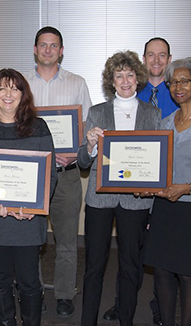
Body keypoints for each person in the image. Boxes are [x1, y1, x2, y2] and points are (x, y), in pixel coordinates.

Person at [0, 68, 58, 326]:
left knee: (30, 281)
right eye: (2, 88)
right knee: (0, 279)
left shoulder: (38, 128)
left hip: (28, 220)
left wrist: (37, 206)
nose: (8, 94)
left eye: (15, 88)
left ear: (23, 94)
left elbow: (50, 174)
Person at [77, 50, 161, 326]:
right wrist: (89, 145)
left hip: (136, 201)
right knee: (94, 266)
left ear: (138, 78)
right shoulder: (96, 112)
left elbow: (157, 161)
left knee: (129, 266)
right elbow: (83, 162)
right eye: (118, 75)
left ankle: (127, 319)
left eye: (130, 74)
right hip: (100, 199)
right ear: (111, 81)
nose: (125, 80)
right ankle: (87, 320)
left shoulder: (153, 113)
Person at [103, 37, 178, 325]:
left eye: (162, 55)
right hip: (133, 188)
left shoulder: (179, 91)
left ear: (169, 59)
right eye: (151, 55)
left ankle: (162, 307)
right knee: (130, 252)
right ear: (144, 60)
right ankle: (124, 304)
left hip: (168, 183)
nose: (156, 60)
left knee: (162, 253)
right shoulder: (133, 93)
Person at [23, 26, 92, 317]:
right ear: (35, 49)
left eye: (54, 46)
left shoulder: (77, 83)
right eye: (43, 45)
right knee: (31, 239)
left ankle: (64, 295)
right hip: (31, 175)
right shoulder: (21, 83)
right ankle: (33, 291)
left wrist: (73, 153)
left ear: (61, 51)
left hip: (66, 173)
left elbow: (87, 128)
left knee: (66, 239)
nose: (48, 50)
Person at [144, 57, 191, 326]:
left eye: (184, 80)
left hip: (188, 207)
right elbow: (154, 165)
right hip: (164, 207)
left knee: (187, 274)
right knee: (161, 270)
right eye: (173, 82)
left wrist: (186, 187)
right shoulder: (165, 122)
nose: (178, 86)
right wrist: (141, 184)